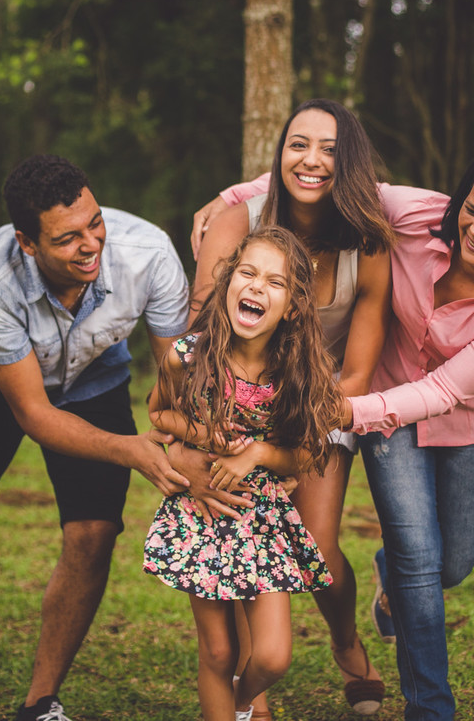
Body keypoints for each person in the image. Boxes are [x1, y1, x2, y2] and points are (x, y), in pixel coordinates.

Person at [196, 144, 474, 720]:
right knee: (420, 560)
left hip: (470, 424)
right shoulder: (414, 213)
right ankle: (430, 707)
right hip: (389, 411)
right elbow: (326, 179)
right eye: (471, 210)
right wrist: (231, 198)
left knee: (451, 565)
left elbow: (443, 392)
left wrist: (340, 412)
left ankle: (391, 576)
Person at [0, 155, 193, 721]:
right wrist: (130, 450)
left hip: (97, 377)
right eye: (67, 238)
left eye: (95, 223)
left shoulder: (149, 253)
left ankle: (41, 702)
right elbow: (33, 412)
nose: (91, 244)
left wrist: (187, 441)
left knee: (94, 533)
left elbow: (178, 377)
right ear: (27, 243)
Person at [190, 98, 395, 717]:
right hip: (233, 399)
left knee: (317, 545)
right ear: (279, 153)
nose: (311, 160)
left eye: (330, 149)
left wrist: (286, 443)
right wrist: (229, 435)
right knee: (240, 528)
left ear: (349, 162)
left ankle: (346, 642)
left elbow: (355, 374)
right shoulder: (237, 221)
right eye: (298, 144)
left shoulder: (369, 243)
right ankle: (250, 692)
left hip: (322, 402)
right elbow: (202, 335)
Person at [143, 226, 345, 721]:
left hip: (263, 519)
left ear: (293, 307)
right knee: (218, 651)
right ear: (229, 281)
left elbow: (304, 456)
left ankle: (239, 701)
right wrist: (206, 435)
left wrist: (255, 453)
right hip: (204, 510)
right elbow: (158, 413)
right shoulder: (188, 356)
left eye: (275, 282)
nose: (257, 286)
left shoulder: (299, 372)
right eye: (248, 273)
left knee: (272, 657)